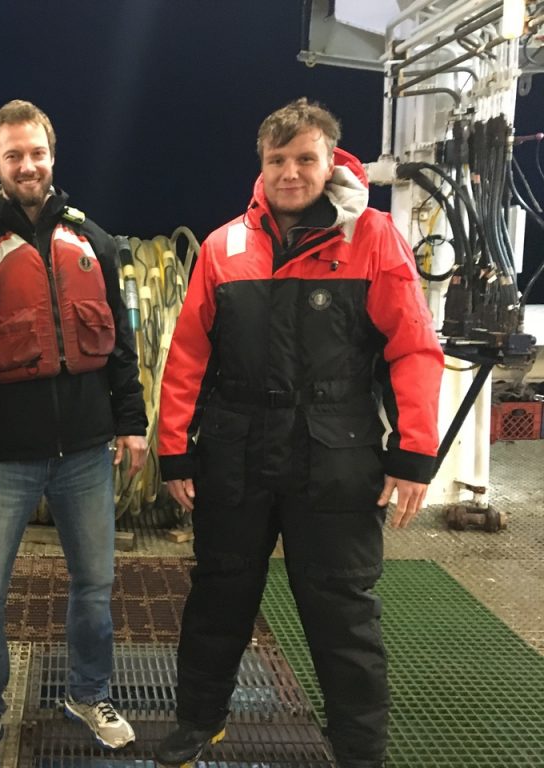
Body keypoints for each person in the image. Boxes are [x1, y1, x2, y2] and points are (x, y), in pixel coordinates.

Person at [155, 99, 443, 768]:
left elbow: (414, 349)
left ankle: (359, 749)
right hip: (235, 451)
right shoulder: (225, 246)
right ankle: (199, 721)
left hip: (335, 457)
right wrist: (175, 450)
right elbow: (188, 354)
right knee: (218, 597)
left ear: (331, 161)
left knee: (342, 613)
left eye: (304, 158)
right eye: (277, 160)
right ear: (260, 165)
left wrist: (413, 454)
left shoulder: (372, 238)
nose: (290, 172)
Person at [0, 99, 148, 767]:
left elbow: (119, 345)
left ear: (52, 157)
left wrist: (132, 423)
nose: (28, 165)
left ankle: (89, 693)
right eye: (14, 155)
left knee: (94, 584)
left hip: (85, 452)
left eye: (37, 152)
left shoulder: (95, 242)